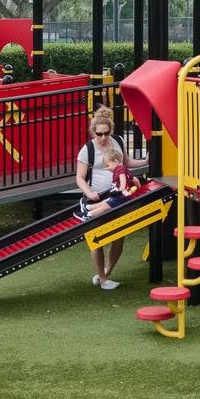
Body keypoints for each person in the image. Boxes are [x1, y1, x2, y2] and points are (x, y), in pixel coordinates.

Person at [75, 107, 139, 289]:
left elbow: (125, 163)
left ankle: (106, 273)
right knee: (97, 238)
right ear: (93, 132)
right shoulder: (87, 149)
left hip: (116, 196)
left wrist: (145, 162)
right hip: (97, 197)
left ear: (111, 130)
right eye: (99, 133)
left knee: (119, 236)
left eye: (106, 133)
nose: (103, 137)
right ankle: (103, 280)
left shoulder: (117, 140)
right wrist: (89, 193)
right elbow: (79, 177)